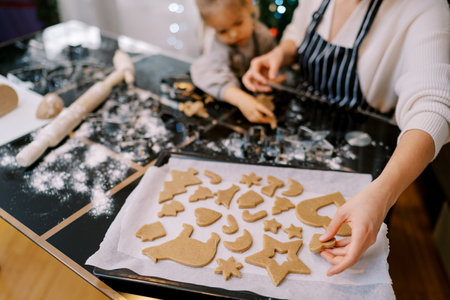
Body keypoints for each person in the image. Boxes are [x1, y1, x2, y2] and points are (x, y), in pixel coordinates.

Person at [242, 0, 450, 276]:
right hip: (298, 134)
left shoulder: (426, 8)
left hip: (362, 148)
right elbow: (296, 32)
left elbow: (433, 106)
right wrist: (281, 53)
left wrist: (382, 193)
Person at [190, 0, 276, 124]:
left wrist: (271, 77)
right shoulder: (218, 44)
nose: (234, 34)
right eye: (222, 31)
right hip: (226, 103)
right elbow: (205, 72)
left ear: (249, 6)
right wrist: (240, 99)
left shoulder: (262, 36)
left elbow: (272, 64)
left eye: (238, 23)